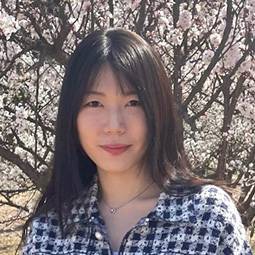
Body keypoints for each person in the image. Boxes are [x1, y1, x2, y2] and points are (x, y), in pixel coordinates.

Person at [20, 28, 252, 255]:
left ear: (157, 110)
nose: (114, 126)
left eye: (133, 103)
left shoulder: (206, 217)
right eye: (94, 103)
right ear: (72, 115)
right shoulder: (50, 228)